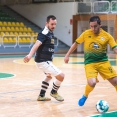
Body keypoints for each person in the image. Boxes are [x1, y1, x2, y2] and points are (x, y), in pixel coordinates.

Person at [64, 16, 117, 106]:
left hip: (103, 62)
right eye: (91, 26)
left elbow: (115, 48)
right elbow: (76, 44)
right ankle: (85, 95)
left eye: (95, 26)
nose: (93, 28)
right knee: (92, 83)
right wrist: (67, 55)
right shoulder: (86, 34)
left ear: (100, 25)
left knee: (116, 81)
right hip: (90, 63)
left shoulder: (107, 36)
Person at [24, 15, 64, 102]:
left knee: (49, 76)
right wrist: (29, 55)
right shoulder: (44, 33)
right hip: (43, 61)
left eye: (55, 24)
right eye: (52, 24)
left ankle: (41, 95)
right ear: (47, 23)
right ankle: (54, 92)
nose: (54, 26)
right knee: (61, 76)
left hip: (44, 61)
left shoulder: (50, 32)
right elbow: (36, 44)